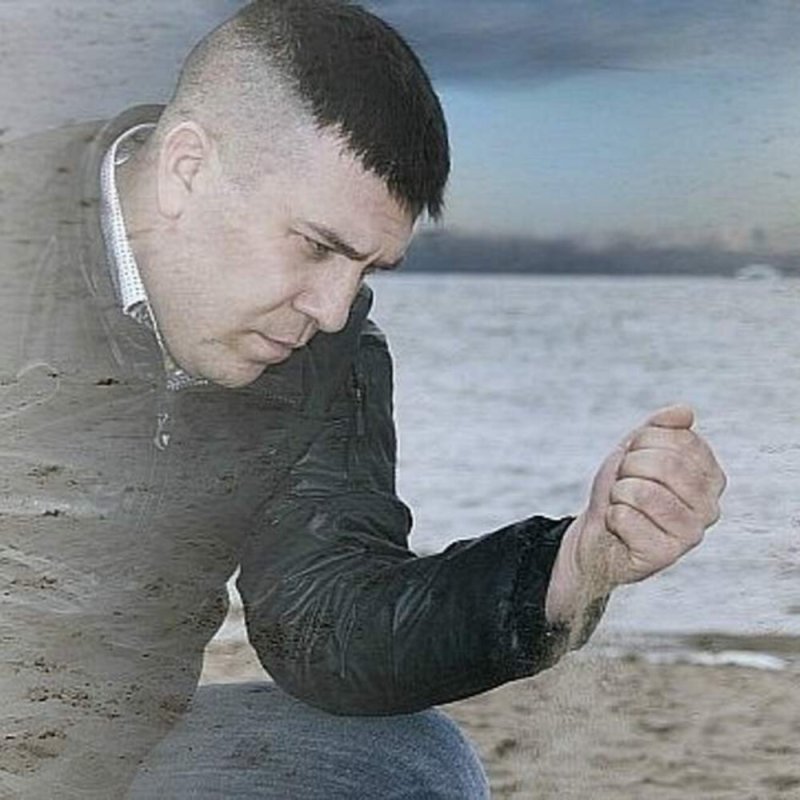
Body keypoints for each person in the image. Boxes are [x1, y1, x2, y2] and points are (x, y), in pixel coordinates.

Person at [0, 1, 726, 797]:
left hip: (111, 750)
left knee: (408, 762)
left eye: (367, 269)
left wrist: (572, 564)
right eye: (317, 247)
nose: (334, 309)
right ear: (186, 169)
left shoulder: (321, 351)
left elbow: (328, 622)